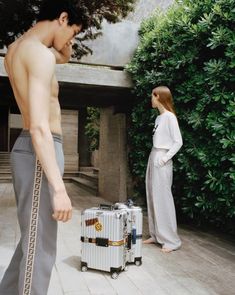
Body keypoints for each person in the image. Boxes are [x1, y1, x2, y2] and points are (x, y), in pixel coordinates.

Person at [0, 1, 88, 294]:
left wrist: (64, 42)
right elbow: (39, 126)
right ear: (63, 17)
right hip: (41, 148)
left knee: (32, 241)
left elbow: (62, 55)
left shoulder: (17, 50)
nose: (71, 42)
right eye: (73, 32)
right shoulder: (39, 55)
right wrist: (59, 189)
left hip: (31, 149)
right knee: (41, 249)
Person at [144, 86, 183, 253]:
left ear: (158, 96)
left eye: (152, 96)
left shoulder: (169, 117)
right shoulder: (159, 119)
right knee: (152, 195)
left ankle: (171, 241)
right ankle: (156, 234)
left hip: (162, 158)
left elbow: (178, 141)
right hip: (154, 156)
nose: (151, 99)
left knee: (163, 198)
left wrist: (165, 158)